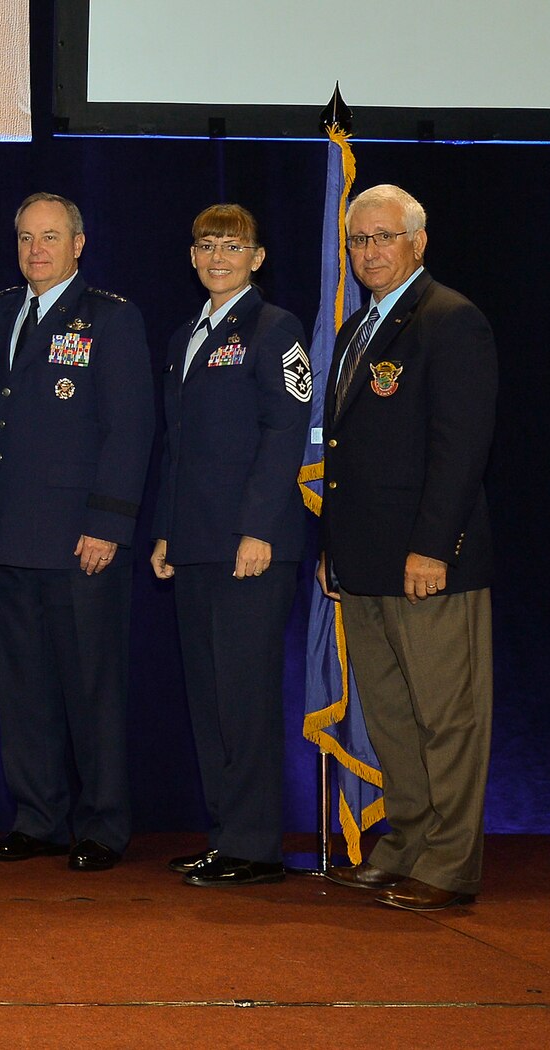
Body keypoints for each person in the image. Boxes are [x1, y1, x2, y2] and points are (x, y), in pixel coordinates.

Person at [319, 184, 497, 912]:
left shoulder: (450, 320)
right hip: (364, 564)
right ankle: (409, 843)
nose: (369, 253)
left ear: (417, 243)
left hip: (428, 566)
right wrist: (334, 548)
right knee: (391, 716)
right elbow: (345, 454)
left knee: (445, 715)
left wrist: (433, 548)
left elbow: (460, 449)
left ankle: (450, 863)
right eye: (359, 241)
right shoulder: (355, 330)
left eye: (383, 238)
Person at [0, 193, 152, 872]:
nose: (36, 250)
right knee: (24, 690)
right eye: (25, 237)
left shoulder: (110, 317)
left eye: (50, 237)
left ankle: (102, 824)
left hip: (82, 540)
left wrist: (108, 522)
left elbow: (129, 427)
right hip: (9, 534)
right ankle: (38, 817)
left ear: (79, 244)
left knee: (92, 691)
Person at [147, 204, 311, 888]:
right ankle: (226, 836)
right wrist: (165, 529)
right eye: (207, 245)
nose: (218, 256)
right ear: (191, 257)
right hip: (195, 543)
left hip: (250, 547)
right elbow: (178, 450)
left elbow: (284, 432)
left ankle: (255, 845)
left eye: (233, 245)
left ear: (258, 257)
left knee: (243, 697)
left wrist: (259, 528)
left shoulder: (275, 329)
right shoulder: (188, 333)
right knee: (210, 696)